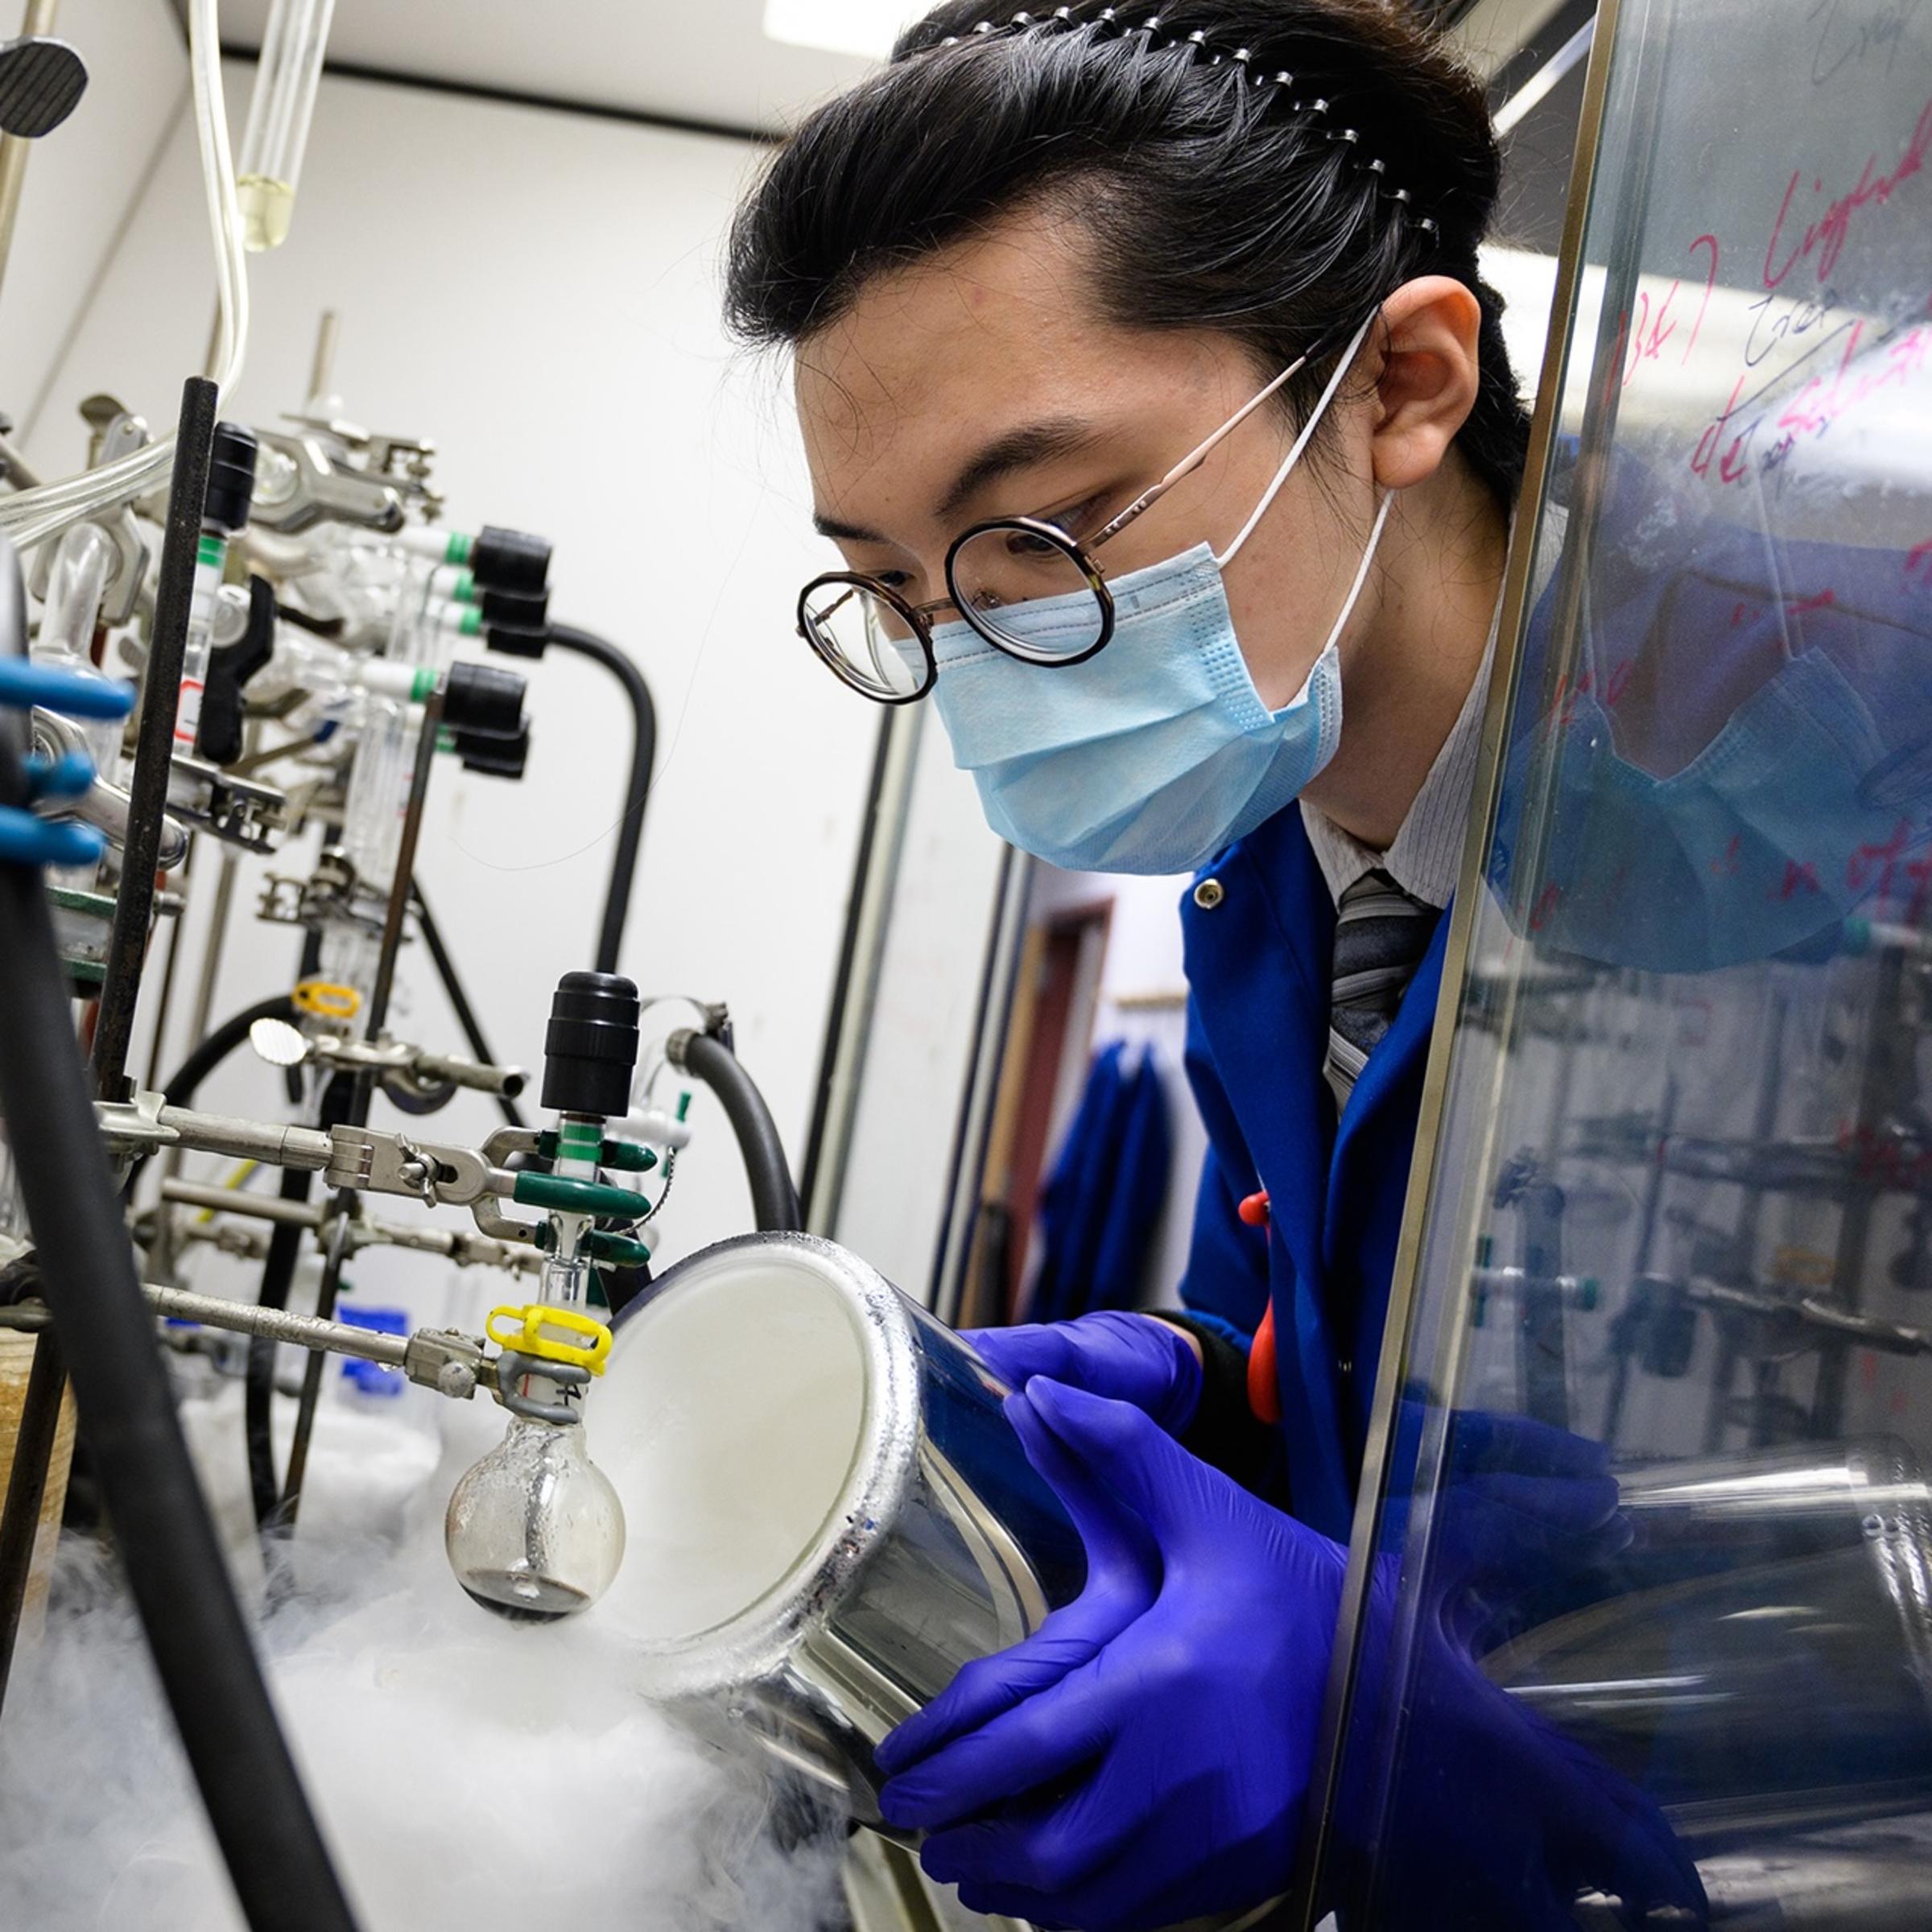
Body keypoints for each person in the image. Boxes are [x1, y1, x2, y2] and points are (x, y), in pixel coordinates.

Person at [724, 4, 1709, 1925]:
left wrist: (1390, 1724)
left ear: (1400, 390)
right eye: (902, 583)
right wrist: (1197, 1381)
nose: (988, 644)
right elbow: (1353, 1374)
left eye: (1055, 525)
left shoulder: (1777, 853)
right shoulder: (1271, 888)